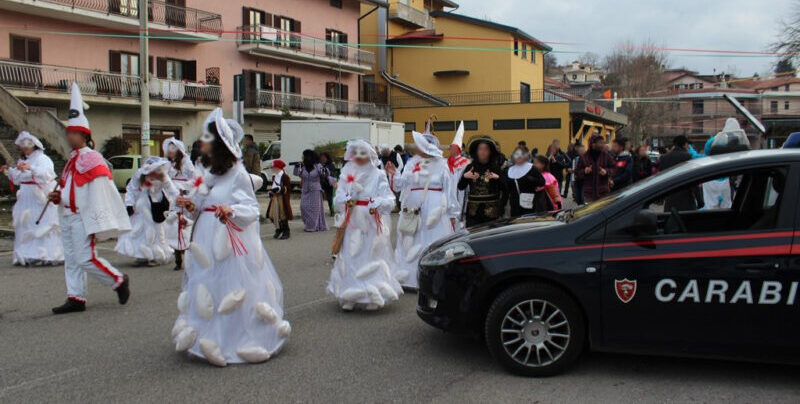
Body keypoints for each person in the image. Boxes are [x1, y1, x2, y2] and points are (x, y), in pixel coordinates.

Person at [172, 108, 290, 367]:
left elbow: (250, 209)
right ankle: (206, 335)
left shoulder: (237, 174)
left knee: (232, 288)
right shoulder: (209, 173)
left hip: (230, 239)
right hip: (206, 238)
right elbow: (201, 204)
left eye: (207, 139)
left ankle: (235, 339)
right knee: (208, 286)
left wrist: (231, 210)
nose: (202, 144)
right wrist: (190, 205)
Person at [49, 83, 131, 314]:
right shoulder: (71, 160)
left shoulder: (93, 158)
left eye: (73, 132)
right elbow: (70, 188)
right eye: (68, 131)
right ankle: (76, 296)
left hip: (82, 217)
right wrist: (59, 196)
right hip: (67, 214)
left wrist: (98, 218)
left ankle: (117, 279)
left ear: (83, 134)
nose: (69, 135)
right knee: (72, 259)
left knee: (85, 258)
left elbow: (102, 191)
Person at [328, 140, 403, 311]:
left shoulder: (378, 175)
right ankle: (350, 293)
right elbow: (338, 197)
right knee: (351, 253)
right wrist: (344, 199)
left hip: (371, 219)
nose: (360, 157)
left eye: (364, 153)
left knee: (371, 254)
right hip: (352, 219)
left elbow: (390, 199)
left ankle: (372, 294)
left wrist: (379, 202)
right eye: (357, 153)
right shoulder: (346, 173)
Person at [385, 131, 458, 289]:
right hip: (413, 207)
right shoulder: (412, 162)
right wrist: (394, 173)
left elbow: (449, 190)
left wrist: (452, 213)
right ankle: (408, 277)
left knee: (431, 239)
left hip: (435, 207)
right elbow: (401, 184)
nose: (415, 147)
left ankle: (431, 279)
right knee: (411, 238)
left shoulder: (442, 164)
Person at [1, 131, 63, 266]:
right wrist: (9, 172)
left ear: (34, 146)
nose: (24, 148)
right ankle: (27, 254)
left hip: (39, 196)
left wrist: (31, 168)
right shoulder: (24, 161)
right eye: (22, 146)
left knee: (43, 224)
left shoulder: (43, 159)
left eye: (27, 145)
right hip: (26, 197)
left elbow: (47, 174)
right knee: (26, 224)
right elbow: (18, 179)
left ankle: (47, 254)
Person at [115, 157, 175, 266]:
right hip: (142, 206)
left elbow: (171, 190)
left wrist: (178, 200)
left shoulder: (163, 177)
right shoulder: (140, 175)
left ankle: (155, 255)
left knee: (156, 231)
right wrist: (129, 204)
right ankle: (142, 256)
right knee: (140, 230)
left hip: (157, 206)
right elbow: (131, 189)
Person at [162, 137, 195, 271]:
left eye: (173, 149)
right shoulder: (168, 164)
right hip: (172, 197)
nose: (170, 152)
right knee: (174, 224)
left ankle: (187, 251)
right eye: (169, 149)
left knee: (185, 224)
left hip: (184, 196)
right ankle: (177, 255)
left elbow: (194, 179)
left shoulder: (186, 162)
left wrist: (184, 187)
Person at [459, 137, 506, 227]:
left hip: (492, 212)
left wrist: (498, 178)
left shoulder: (496, 168)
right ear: (476, 151)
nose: (483, 152)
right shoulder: (470, 167)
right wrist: (465, 177)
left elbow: (505, 189)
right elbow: (460, 187)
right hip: (473, 213)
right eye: (480, 149)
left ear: (490, 152)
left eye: (486, 149)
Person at [659, 135, 700, 211]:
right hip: (686, 200)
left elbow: (660, 178)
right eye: (688, 144)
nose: (689, 147)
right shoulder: (687, 156)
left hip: (670, 200)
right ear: (684, 145)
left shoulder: (664, 158)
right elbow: (692, 180)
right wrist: (700, 200)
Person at [503, 145, 545, 217]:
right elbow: (506, 189)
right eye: (517, 154)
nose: (519, 157)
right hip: (514, 205)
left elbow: (542, 182)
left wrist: (531, 180)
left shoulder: (531, 168)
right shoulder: (509, 170)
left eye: (521, 154)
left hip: (529, 203)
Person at [294, 149, 329, 232]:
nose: (303, 158)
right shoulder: (303, 167)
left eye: (305, 156)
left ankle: (312, 226)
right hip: (305, 190)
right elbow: (296, 173)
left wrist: (324, 170)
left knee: (314, 209)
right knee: (303, 207)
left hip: (315, 190)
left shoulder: (318, 166)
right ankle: (309, 223)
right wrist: (297, 166)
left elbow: (325, 174)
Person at [574, 134, 615, 203]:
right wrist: (584, 171)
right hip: (589, 194)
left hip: (603, 193)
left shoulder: (606, 156)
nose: (602, 145)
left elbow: (614, 169)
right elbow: (577, 172)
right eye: (600, 143)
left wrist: (606, 171)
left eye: (603, 143)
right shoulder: (584, 157)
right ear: (593, 144)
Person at [448, 121, 470, 223]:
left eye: (452, 147)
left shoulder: (465, 162)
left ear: (457, 149)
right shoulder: (447, 161)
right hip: (450, 189)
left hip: (460, 190)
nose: (450, 149)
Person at [266, 159, 293, 239]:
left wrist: (280, 189)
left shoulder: (285, 177)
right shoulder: (274, 176)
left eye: (273, 167)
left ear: (278, 167)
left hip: (282, 198)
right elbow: (274, 186)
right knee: (272, 215)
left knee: (282, 215)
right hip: (274, 198)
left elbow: (288, 188)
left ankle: (286, 231)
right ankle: (279, 229)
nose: (272, 169)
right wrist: (271, 191)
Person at [319, 152, 337, 217]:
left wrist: (327, 172)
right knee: (320, 198)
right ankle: (320, 212)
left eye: (324, 157)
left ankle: (332, 211)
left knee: (329, 198)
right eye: (321, 157)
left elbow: (332, 173)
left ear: (327, 158)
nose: (323, 159)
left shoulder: (331, 165)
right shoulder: (319, 165)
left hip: (328, 184)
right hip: (321, 183)